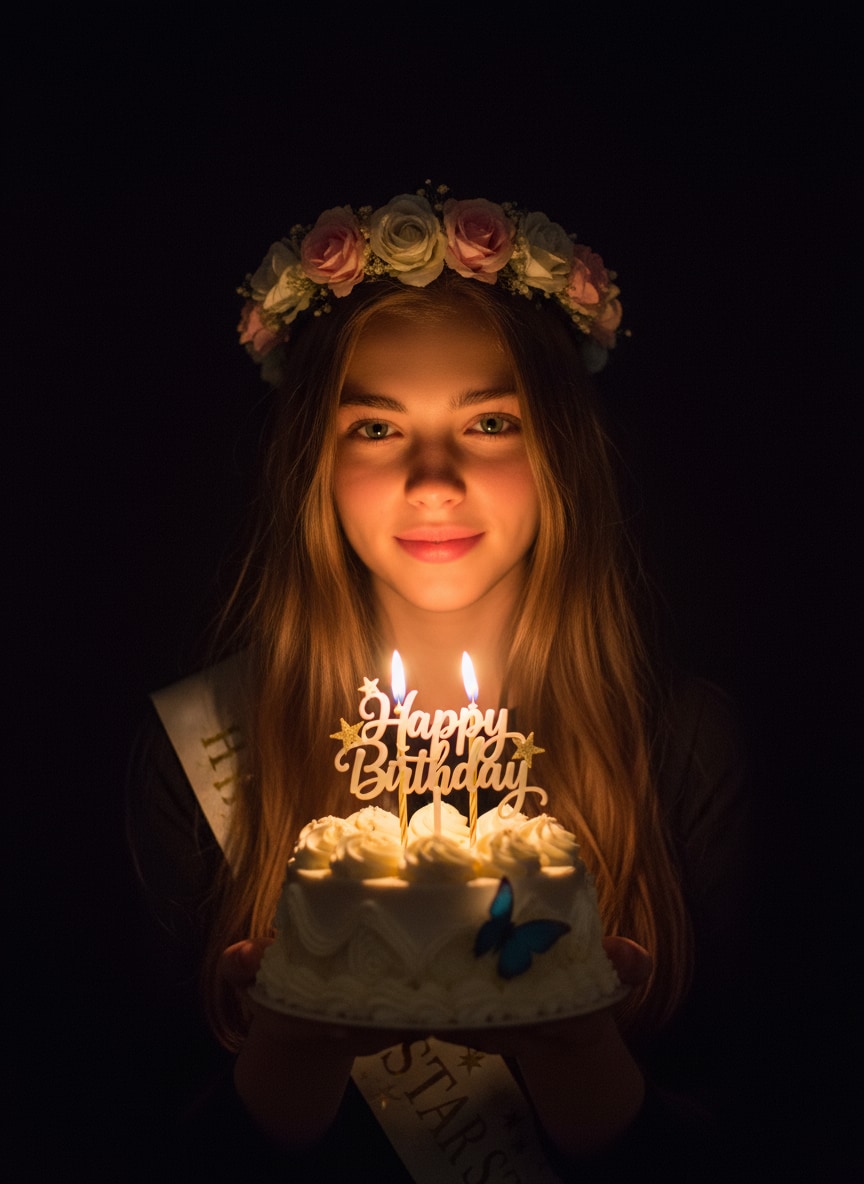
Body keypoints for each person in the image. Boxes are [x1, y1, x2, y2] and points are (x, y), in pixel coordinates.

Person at [126, 187, 754, 1181]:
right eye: (376, 429)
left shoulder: (682, 742)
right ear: (316, 464)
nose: (432, 479)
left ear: (561, 452)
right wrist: (291, 1046)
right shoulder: (199, 747)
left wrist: (578, 1047)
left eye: (491, 420)